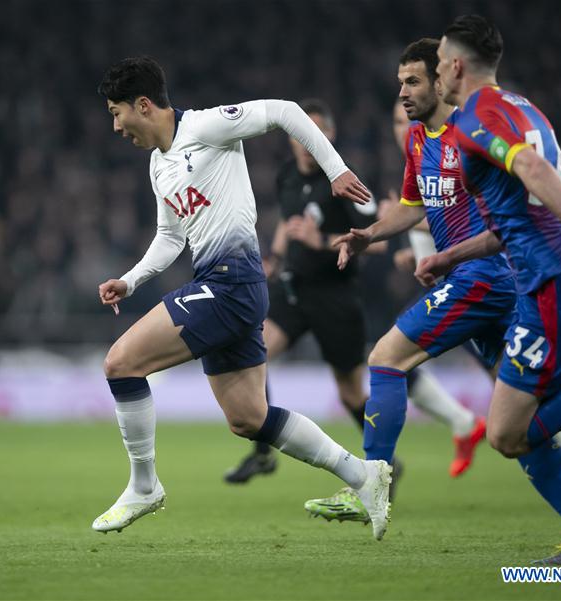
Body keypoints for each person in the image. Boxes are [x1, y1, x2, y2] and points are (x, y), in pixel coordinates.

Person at [92, 56, 392, 540]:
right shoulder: (158, 164)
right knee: (249, 418)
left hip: (229, 283)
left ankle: (144, 486)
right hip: (227, 285)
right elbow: (171, 237)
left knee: (121, 363)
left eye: (116, 112)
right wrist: (130, 280)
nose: (115, 126)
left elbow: (285, 111)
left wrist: (336, 170)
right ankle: (364, 475)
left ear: (142, 105)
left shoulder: (206, 127)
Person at [413, 15, 561, 565]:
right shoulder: (526, 109)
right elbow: (513, 216)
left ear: (456, 66)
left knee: (508, 434)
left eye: (439, 64)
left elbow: (528, 168)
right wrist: (449, 257)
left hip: (550, 281)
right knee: (551, 400)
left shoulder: (475, 117)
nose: (436, 74)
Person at [304, 38, 514, 521]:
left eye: (413, 81)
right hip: (472, 280)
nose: (402, 92)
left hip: (482, 275)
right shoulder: (419, 140)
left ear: (441, 82)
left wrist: (446, 258)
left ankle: (371, 484)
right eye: (400, 82)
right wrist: (369, 235)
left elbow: (511, 204)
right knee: (527, 415)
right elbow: (412, 207)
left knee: (386, 357)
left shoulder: (473, 133)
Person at [389, 96, 561, 497]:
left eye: (406, 120)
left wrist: (419, 234)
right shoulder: (418, 160)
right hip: (453, 283)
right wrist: (412, 252)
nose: (404, 128)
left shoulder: (460, 146)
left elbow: (473, 216)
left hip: (484, 281)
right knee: (514, 392)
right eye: (397, 123)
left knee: (514, 391)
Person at [222, 98, 385, 489]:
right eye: (300, 134)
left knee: (350, 394)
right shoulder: (287, 176)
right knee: (254, 355)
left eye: (315, 133)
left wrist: (322, 240)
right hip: (294, 290)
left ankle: (384, 460)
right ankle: (263, 454)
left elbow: (378, 244)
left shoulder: (347, 179)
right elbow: (288, 220)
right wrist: (274, 258)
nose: (306, 142)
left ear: (329, 135)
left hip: (336, 296)